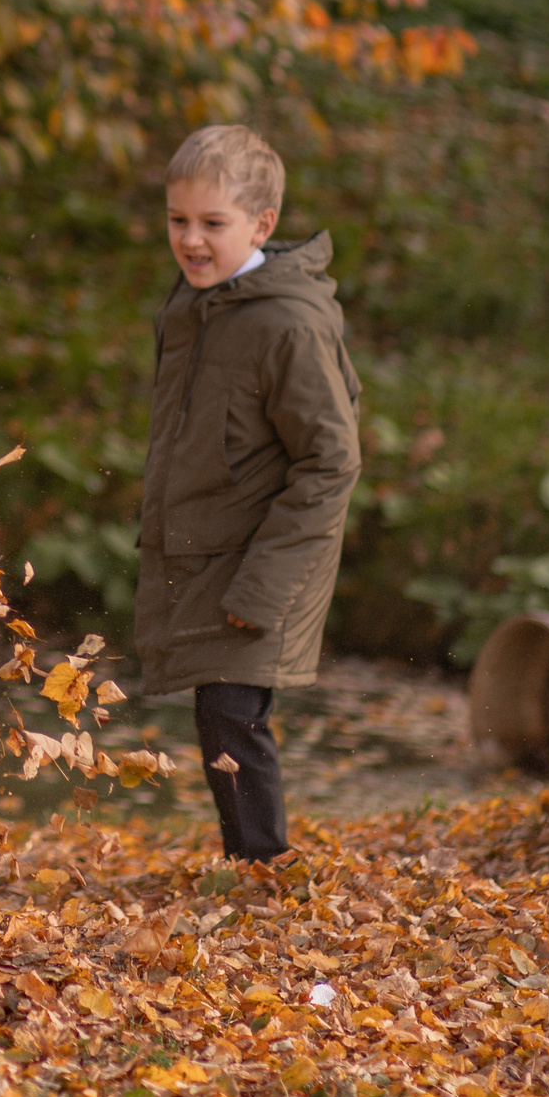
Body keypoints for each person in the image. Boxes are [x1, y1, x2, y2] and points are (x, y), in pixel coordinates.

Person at [133, 124, 360, 861]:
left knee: (233, 711)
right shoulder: (195, 308)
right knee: (217, 712)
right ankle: (250, 862)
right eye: (178, 221)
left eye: (212, 224)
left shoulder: (286, 326)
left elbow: (330, 461)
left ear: (261, 224)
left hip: (268, 559)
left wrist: (266, 586)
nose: (190, 241)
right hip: (208, 548)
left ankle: (263, 869)